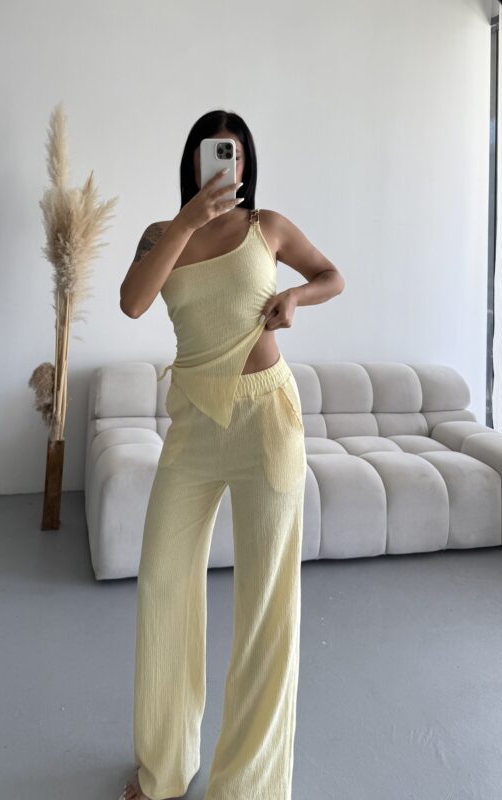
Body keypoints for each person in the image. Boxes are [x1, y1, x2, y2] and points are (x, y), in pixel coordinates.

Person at [119, 110, 345, 800]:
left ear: (246, 164)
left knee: (265, 605)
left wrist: (296, 296)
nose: (227, 164)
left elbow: (332, 275)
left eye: (236, 154)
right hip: (194, 423)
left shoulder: (266, 227)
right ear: (194, 160)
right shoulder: (161, 234)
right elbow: (132, 302)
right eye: (215, 152)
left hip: (266, 417)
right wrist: (187, 222)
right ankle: (163, 769)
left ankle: (246, 787)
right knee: (162, 583)